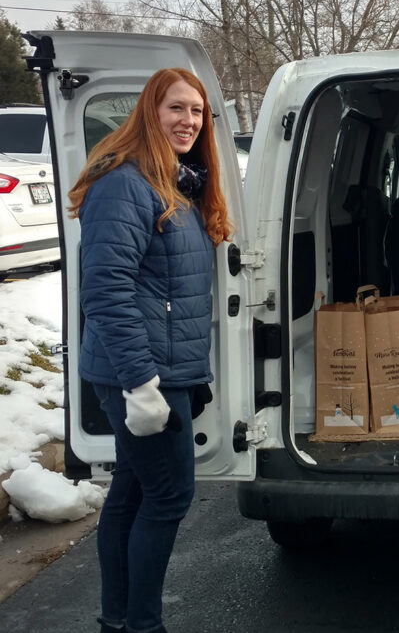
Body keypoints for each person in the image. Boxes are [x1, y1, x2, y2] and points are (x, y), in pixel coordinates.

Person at [67, 68, 232, 633]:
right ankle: (143, 624)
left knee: (132, 495)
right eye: (176, 109)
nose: (188, 121)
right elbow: (106, 291)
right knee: (167, 496)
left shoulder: (175, 182)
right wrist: (141, 384)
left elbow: (166, 291)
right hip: (138, 373)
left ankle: (120, 620)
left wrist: (189, 375)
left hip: (164, 369)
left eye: (196, 111)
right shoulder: (125, 183)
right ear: (149, 112)